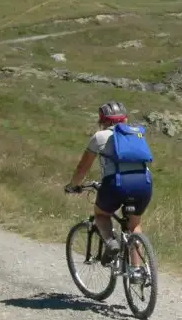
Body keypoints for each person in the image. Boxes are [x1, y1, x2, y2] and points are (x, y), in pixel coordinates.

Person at [64, 101, 154, 265]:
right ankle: (137, 271)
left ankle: (111, 243)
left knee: (101, 214)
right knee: (134, 225)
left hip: (117, 183)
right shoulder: (136, 134)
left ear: (103, 121)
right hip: (144, 182)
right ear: (125, 119)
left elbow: (82, 168)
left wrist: (73, 186)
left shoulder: (100, 137)